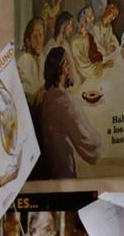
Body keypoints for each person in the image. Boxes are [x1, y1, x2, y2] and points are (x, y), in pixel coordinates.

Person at [33, 47, 100, 179]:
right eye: (72, 63)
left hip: (48, 172)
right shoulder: (65, 103)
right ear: (66, 68)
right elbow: (92, 148)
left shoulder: (44, 96)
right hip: (63, 174)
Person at [68, 6, 110, 83]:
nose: (93, 18)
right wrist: (102, 66)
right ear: (83, 20)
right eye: (89, 16)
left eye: (92, 16)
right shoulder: (75, 42)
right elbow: (83, 66)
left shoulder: (89, 36)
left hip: (95, 70)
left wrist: (101, 63)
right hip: (84, 79)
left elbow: (95, 55)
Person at [17, 17, 46, 106]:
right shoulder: (23, 61)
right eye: (34, 36)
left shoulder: (42, 58)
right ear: (28, 40)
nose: (38, 40)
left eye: (41, 35)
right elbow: (31, 98)